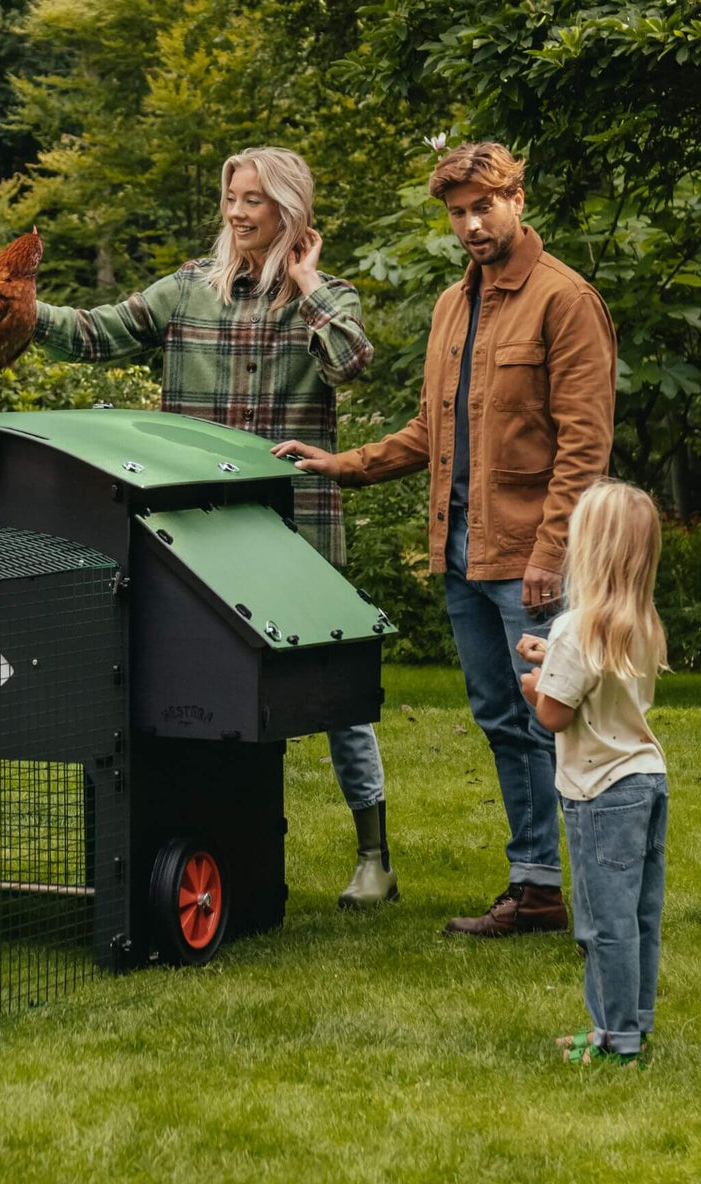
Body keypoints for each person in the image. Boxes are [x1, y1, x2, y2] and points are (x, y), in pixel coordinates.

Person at [33, 145, 398, 909]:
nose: (238, 212)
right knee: (195, 682)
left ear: (289, 209)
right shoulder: (187, 291)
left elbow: (351, 362)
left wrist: (303, 285)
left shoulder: (326, 296)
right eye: (232, 198)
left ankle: (375, 856)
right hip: (196, 527)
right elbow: (96, 333)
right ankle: (220, 841)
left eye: (255, 200)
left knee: (335, 690)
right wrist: (9, 310)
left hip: (295, 523)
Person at [276, 141, 617, 935]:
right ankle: (535, 887)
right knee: (502, 718)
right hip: (463, 550)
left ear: (517, 199)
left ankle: (601, 894)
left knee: (562, 721)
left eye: (482, 206)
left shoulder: (565, 301)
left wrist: (550, 554)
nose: (469, 224)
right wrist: (344, 465)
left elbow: (584, 445)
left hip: (534, 555)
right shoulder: (451, 306)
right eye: (457, 212)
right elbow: (434, 430)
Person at [518, 481, 668, 1067]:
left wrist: (534, 683)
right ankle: (635, 1022)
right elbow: (598, 677)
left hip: (600, 794)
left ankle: (614, 1040)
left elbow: (554, 714)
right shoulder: (640, 621)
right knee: (638, 914)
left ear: (588, 550)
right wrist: (549, 659)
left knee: (603, 923)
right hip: (647, 780)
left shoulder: (574, 630)